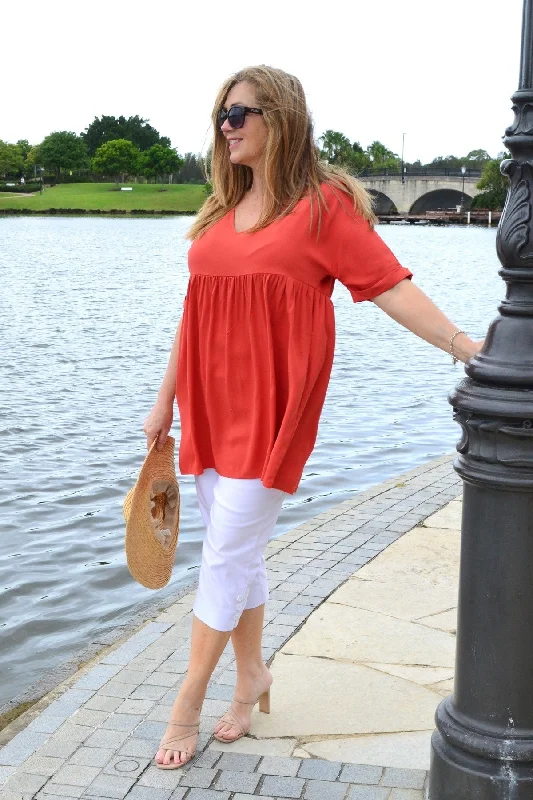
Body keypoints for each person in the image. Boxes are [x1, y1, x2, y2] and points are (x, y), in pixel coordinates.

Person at [142, 65, 484, 770]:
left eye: (238, 114)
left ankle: (187, 702)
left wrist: (460, 345)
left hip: (272, 411)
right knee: (238, 555)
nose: (226, 128)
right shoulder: (218, 207)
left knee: (225, 553)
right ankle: (251, 677)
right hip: (207, 407)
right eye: (219, 117)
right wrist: (162, 402)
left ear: (280, 118)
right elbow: (193, 313)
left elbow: (387, 286)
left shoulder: (323, 207)